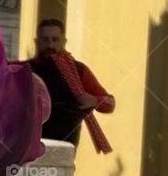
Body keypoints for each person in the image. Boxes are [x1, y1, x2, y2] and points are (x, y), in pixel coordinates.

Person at [29, 18, 115, 150]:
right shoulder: (24, 70)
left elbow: (110, 103)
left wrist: (94, 100)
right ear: (37, 42)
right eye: (45, 40)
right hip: (28, 147)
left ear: (64, 42)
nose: (50, 45)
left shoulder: (78, 72)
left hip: (64, 148)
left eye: (55, 40)